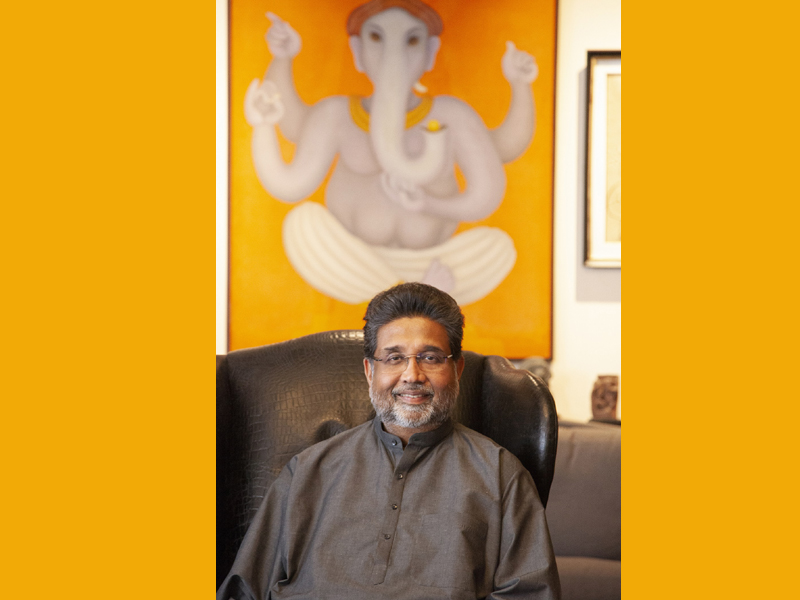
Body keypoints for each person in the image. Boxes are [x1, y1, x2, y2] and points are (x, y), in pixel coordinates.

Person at [217, 283, 561, 599]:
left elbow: (531, 594)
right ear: (370, 371)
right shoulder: (307, 470)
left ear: (456, 370)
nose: (412, 375)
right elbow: (243, 591)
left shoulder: (500, 475)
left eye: (430, 357)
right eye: (394, 358)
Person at [245, 0, 539, 305]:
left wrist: (428, 204)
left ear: (431, 52)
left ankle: (414, 292)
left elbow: (494, 174)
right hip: (352, 261)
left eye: (412, 40)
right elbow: (290, 183)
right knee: (302, 224)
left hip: (434, 259)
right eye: (376, 37)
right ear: (357, 51)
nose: (393, 56)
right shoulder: (336, 114)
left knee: (497, 246)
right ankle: (419, 294)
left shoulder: (452, 115)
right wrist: (270, 100)